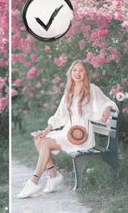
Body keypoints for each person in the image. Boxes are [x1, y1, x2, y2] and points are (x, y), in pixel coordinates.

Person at [17, 60, 118, 199]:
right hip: (68, 131)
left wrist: (107, 108)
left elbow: (108, 102)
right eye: (74, 70)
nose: (77, 73)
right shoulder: (69, 93)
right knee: (39, 138)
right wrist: (47, 130)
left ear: (85, 73)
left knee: (45, 144)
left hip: (82, 134)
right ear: (70, 73)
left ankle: (34, 181)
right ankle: (53, 176)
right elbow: (59, 116)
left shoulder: (92, 88)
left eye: (81, 70)